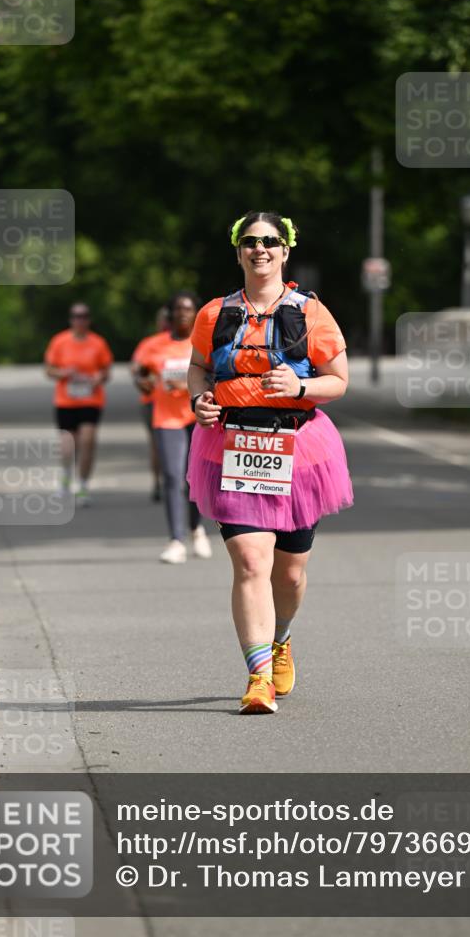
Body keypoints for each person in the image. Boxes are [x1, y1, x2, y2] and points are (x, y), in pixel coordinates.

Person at [187, 211, 353, 714]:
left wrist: (300, 387)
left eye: (271, 242)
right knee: (251, 561)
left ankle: (280, 639)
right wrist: (199, 401)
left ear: (286, 251)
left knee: (290, 575)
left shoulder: (311, 312)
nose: (261, 249)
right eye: (251, 242)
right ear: (238, 251)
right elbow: (198, 367)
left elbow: (339, 380)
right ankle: (258, 677)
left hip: (299, 451)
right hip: (232, 446)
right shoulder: (213, 313)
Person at [139, 291, 212, 563]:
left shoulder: (203, 341)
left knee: (193, 478)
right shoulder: (153, 345)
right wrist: (144, 382)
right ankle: (176, 540)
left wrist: (189, 386)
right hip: (167, 418)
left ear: (196, 313)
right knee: (171, 477)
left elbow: (216, 374)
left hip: (198, 418)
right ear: (170, 314)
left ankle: (196, 529)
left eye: (188, 308)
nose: (183, 313)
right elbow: (142, 374)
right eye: (178, 309)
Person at [44, 303, 113, 506]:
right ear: (70, 319)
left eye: (83, 316)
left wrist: (97, 378)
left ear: (89, 319)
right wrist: (64, 373)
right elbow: (49, 370)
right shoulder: (60, 341)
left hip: (90, 400)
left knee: (87, 441)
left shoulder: (98, 343)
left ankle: (83, 485)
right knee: (67, 447)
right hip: (66, 400)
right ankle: (65, 480)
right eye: (76, 316)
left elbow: (106, 372)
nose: (80, 320)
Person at [131, 306, 171, 502]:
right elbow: (136, 370)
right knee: (158, 444)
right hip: (153, 402)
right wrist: (149, 379)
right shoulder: (149, 344)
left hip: (182, 403)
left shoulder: (189, 341)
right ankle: (158, 482)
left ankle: (181, 481)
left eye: (168, 319)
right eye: (162, 319)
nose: (165, 323)